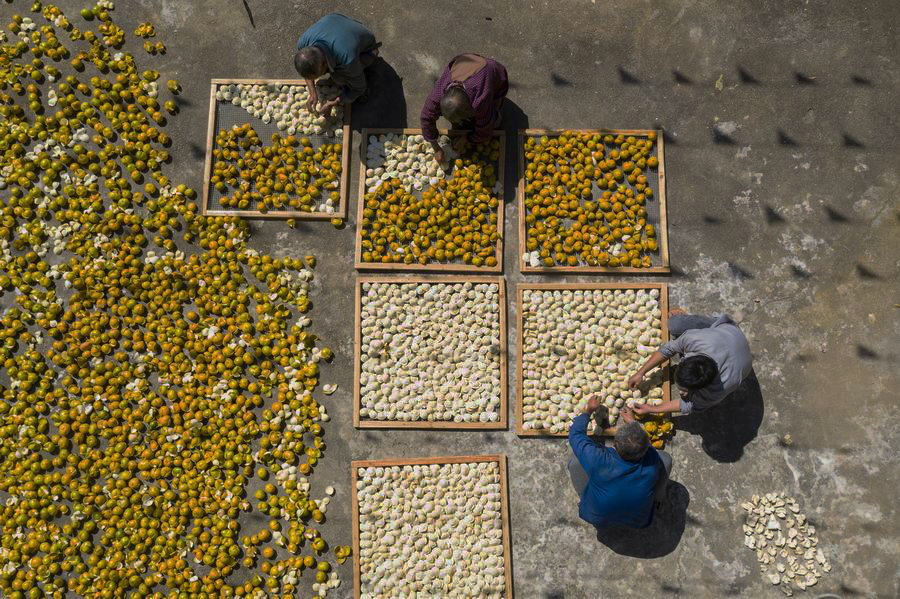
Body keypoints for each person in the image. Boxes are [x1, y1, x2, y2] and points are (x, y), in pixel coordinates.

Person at [567, 395, 672, 529]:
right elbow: (645, 443)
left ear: (615, 444)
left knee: (575, 461)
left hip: (595, 516)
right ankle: (658, 499)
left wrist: (588, 411)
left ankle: (583, 496)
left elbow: (576, 435)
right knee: (666, 459)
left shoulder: (599, 460)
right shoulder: (651, 461)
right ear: (646, 448)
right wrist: (633, 423)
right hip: (638, 522)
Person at [628, 309, 753, 415]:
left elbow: (690, 406)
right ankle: (685, 318)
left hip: (735, 346)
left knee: (697, 404)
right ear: (685, 360)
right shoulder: (694, 339)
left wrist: (654, 409)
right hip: (725, 331)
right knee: (674, 324)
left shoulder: (719, 389)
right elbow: (668, 349)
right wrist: (641, 372)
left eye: (685, 390)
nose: (682, 393)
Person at [420, 54, 509, 163]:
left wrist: (467, 138)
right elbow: (426, 118)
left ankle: (496, 117)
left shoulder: (480, 99)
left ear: (469, 108)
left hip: (490, 72)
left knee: (493, 120)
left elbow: (484, 131)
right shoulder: (438, 95)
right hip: (466, 63)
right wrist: (436, 148)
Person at [295, 13, 380, 116]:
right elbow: (307, 69)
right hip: (341, 25)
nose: (321, 76)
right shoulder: (303, 44)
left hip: (367, 48)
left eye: (320, 74)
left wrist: (334, 103)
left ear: (324, 63)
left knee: (339, 79)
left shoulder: (347, 59)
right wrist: (312, 92)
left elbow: (359, 88)